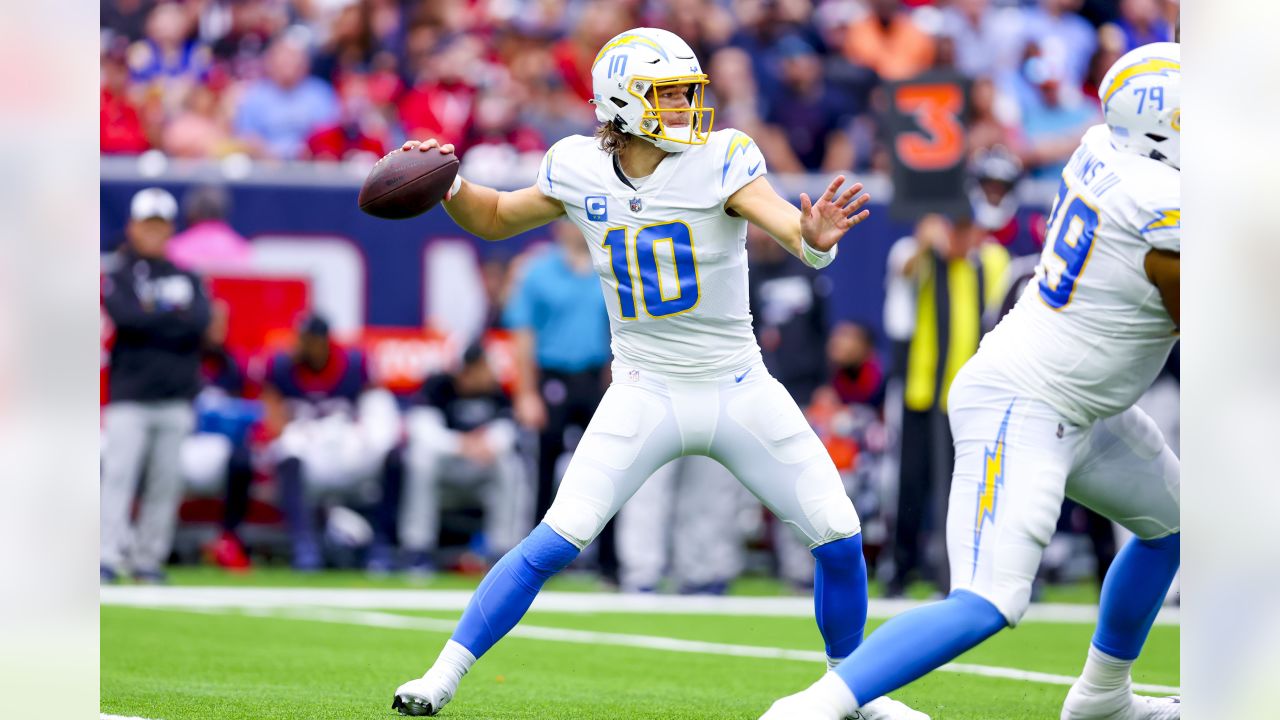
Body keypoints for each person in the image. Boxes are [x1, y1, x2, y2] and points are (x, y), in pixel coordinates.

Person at [391, 27, 924, 720]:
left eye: (688, 93)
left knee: (839, 533)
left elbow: (783, 223)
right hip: (644, 389)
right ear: (620, 101)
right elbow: (493, 216)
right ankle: (441, 676)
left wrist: (811, 237)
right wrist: (449, 182)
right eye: (668, 95)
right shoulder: (576, 165)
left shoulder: (723, 157)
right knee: (555, 539)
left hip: (739, 386)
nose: (686, 108)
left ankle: (853, 693)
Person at [761, 42, 1181, 720]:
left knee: (1179, 526)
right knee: (991, 598)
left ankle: (1103, 697)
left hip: (1082, 402)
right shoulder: (1160, 197)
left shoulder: (1107, 146)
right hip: (1030, 399)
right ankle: (813, 707)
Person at [101, 187, 212, 583]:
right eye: (147, 225)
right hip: (129, 395)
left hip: (175, 396)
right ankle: (106, 555)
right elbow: (127, 318)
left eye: (161, 225)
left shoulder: (186, 275)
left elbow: (200, 323)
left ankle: (147, 559)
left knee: (165, 484)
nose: (153, 233)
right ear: (133, 227)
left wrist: (156, 317)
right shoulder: (119, 274)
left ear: (171, 229)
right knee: (117, 477)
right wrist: (171, 318)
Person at [502, 219, 616, 582]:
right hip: (552, 376)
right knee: (544, 470)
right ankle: (535, 564)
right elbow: (523, 335)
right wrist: (526, 393)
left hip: (594, 376)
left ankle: (608, 562)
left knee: (608, 470)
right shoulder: (538, 272)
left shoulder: (606, 266)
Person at [261, 314, 400, 570]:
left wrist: (361, 435)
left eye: (307, 340)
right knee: (286, 452)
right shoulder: (282, 368)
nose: (301, 346)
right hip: (309, 451)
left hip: (346, 448)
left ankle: (382, 543)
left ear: (322, 341)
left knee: (393, 455)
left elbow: (378, 412)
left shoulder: (354, 365)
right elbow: (274, 426)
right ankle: (304, 544)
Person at [385, 343, 530, 575]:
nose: (488, 374)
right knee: (420, 459)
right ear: (466, 370)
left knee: (510, 464)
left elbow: (507, 432)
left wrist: (488, 444)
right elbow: (423, 431)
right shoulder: (438, 387)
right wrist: (461, 444)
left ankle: (502, 549)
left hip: (480, 468)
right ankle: (417, 548)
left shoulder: (495, 391)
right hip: (447, 466)